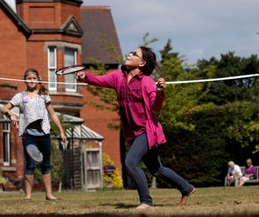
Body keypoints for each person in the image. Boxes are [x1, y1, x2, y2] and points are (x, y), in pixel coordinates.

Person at [76, 46, 196, 209]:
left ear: (142, 63)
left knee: (131, 162)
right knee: (157, 169)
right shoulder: (118, 78)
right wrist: (85, 76)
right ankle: (186, 188)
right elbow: (99, 80)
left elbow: (156, 107)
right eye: (131, 52)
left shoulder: (146, 81)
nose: (129, 54)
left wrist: (160, 93)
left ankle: (146, 201)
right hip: (132, 132)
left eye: (134, 54)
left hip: (147, 131)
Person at [1, 68, 67, 201]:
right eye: (29, 78)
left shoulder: (44, 95)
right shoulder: (20, 96)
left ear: (38, 80)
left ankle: (49, 195)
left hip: (43, 134)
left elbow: (52, 114)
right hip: (28, 135)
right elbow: (4, 108)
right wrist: (11, 114)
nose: (31, 81)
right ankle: (28, 196)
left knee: (46, 164)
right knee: (30, 164)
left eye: (34, 78)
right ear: (24, 80)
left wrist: (61, 131)